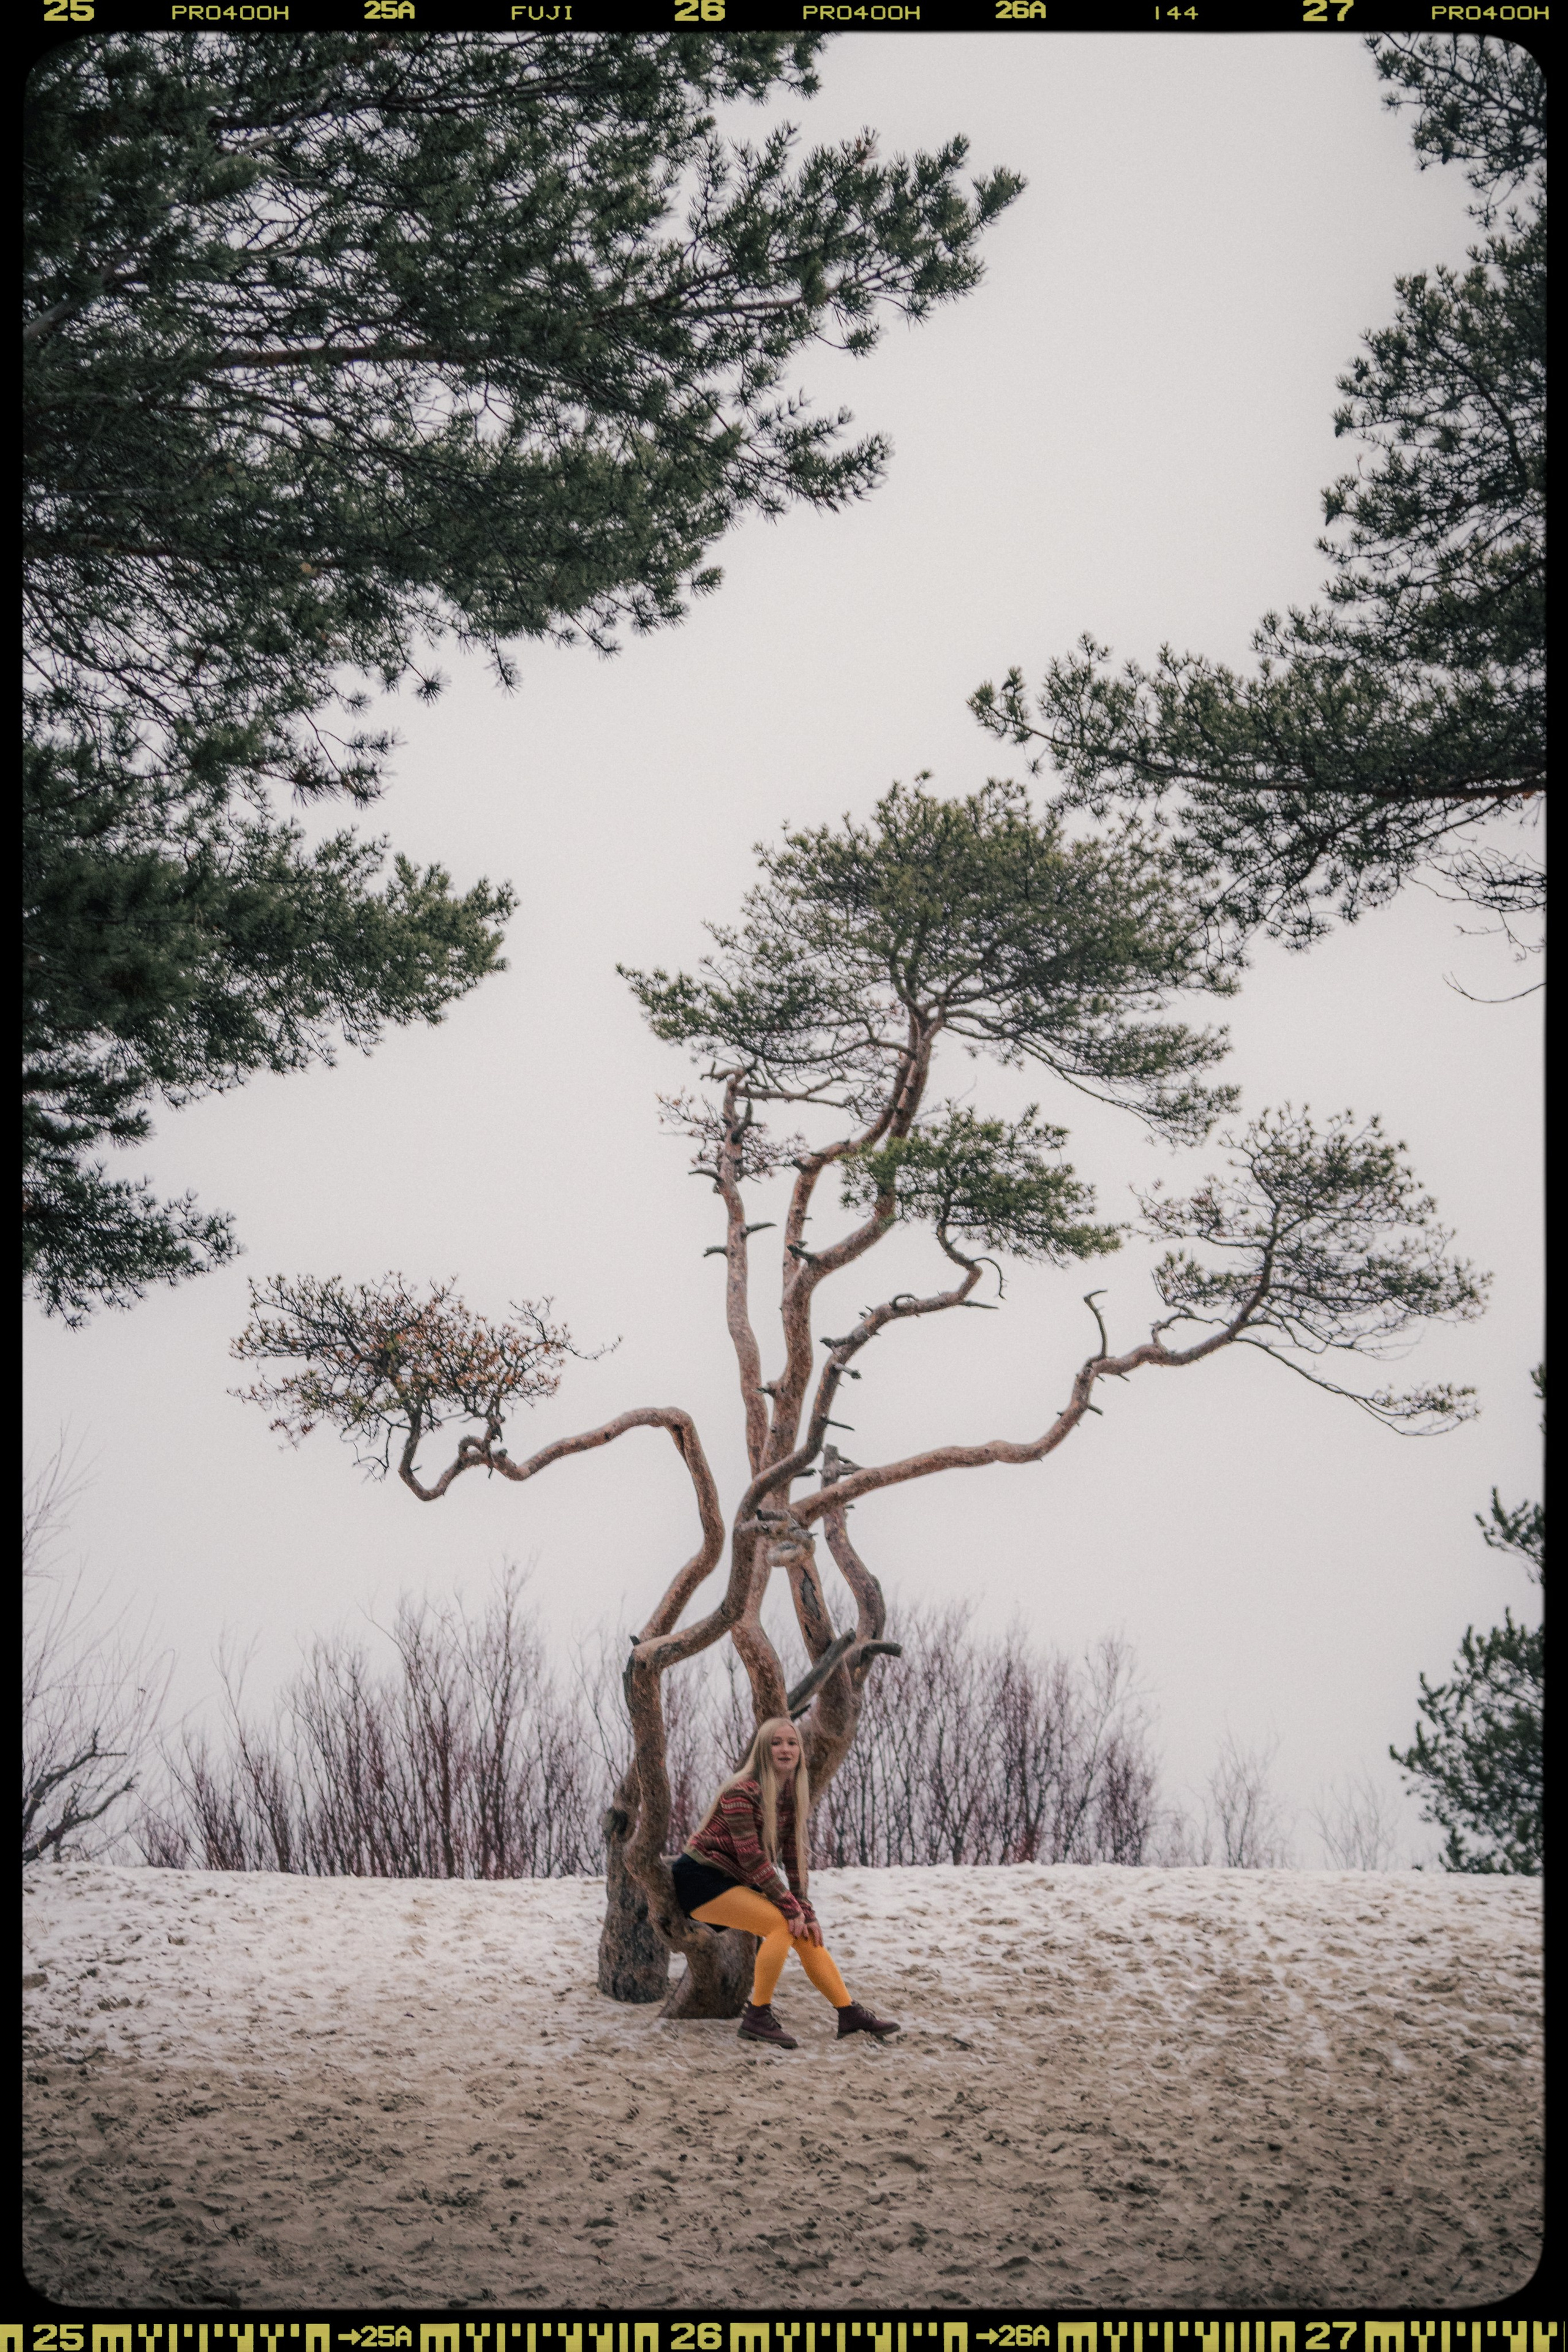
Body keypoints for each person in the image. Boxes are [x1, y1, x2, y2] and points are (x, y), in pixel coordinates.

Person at [671, 1713, 900, 2049]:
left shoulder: (791, 1795)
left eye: (792, 1742)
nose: (785, 1748)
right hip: (701, 1878)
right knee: (782, 1923)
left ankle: (848, 2012)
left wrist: (805, 1909)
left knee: (802, 1930)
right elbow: (752, 1856)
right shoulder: (741, 1790)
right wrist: (790, 1907)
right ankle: (757, 2016)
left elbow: (793, 1856)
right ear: (764, 1750)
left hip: (735, 1881)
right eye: (776, 1742)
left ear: (800, 1751)